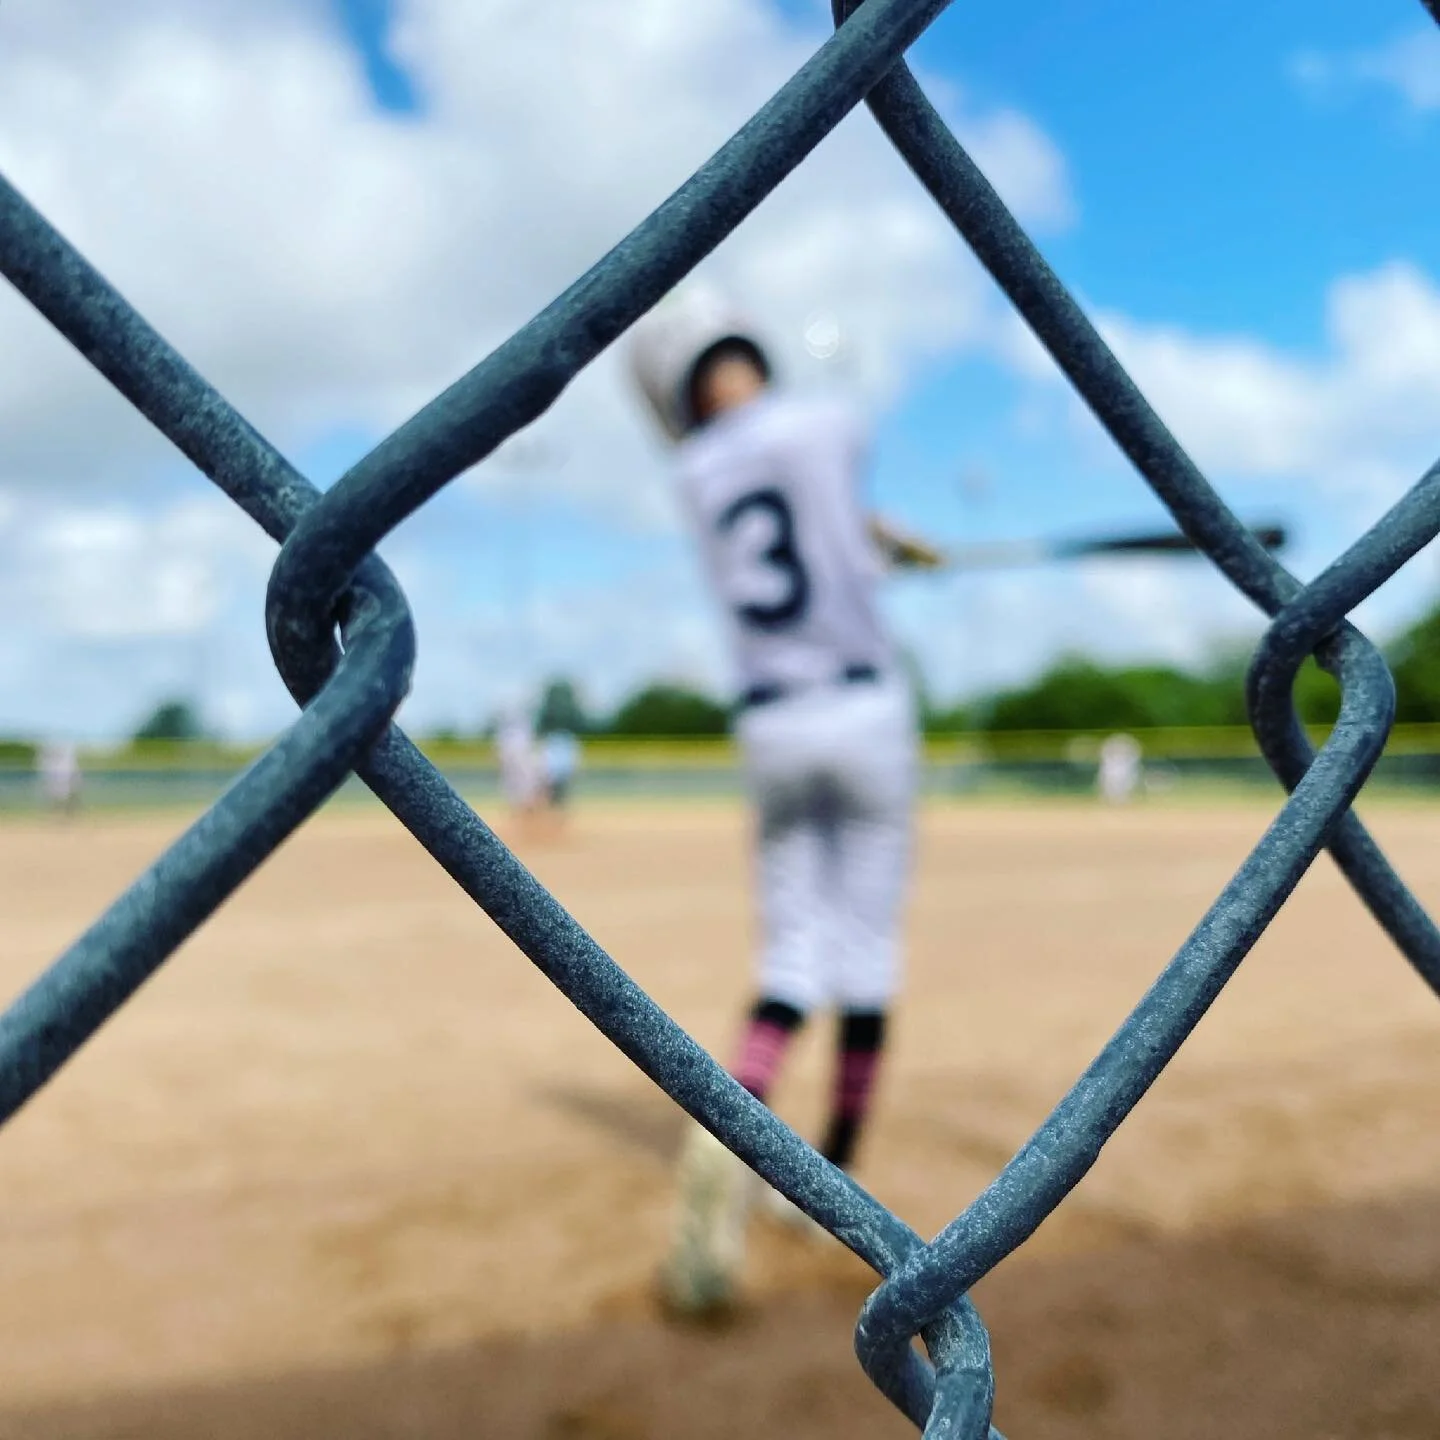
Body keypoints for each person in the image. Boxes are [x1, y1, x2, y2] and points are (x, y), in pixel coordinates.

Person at [628, 283, 945, 1314]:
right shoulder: (825, 422)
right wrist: (880, 544)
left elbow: (796, 521)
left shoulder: (693, 472)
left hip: (770, 723)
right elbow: (826, 491)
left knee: (788, 961)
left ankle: (733, 1157)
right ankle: (830, 1183)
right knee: (867, 958)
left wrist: (862, 541)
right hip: (862, 715)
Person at [494, 706, 542, 831]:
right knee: (517, 793)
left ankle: (530, 818)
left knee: (527, 793)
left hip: (522, 768)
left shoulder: (518, 737)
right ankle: (523, 819)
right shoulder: (509, 736)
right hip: (515, 769)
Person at [540, 727, 580, 825]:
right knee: (554, 798)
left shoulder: (555, 742)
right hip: (557, 775)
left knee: (558, 798)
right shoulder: (564, 742)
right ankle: (554, 818)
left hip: (558, 775)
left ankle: (557, 818)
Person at [36, 739, 81, 816]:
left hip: (65, 780)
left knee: (68, 797)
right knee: (57, 796)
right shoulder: (54, 765)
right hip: (60, 781)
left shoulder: (66, 765)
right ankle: (57, 812)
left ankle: (68, 812)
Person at [1097, 732, 1143, 805]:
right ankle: (1109, 799)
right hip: (1113, 771)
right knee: (1110, 784)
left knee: (1126, 784)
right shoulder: (1110, 758)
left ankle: (1123, 799)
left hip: (1123, 771)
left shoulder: (1127, 760)